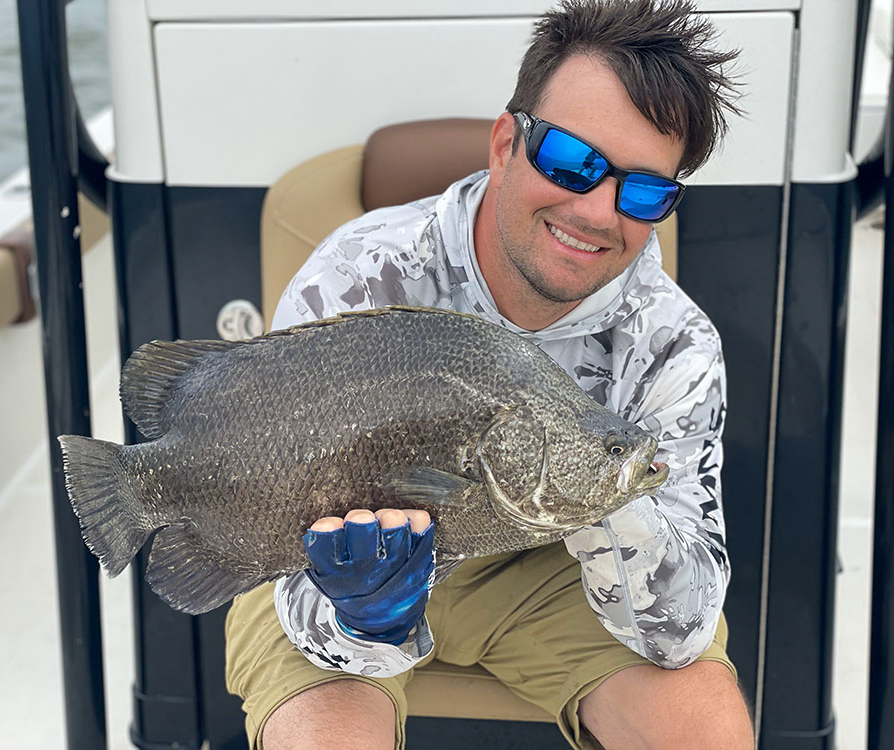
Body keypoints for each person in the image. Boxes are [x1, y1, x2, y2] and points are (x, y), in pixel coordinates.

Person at [225, 1, 755, 747]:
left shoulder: (674, 346)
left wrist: (599, 487)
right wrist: (360, 612)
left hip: (546, 569)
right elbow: (282, 507)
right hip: (333, 560)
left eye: (642, 192)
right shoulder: (361, 273)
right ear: (507, 142)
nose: (599, 211)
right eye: (572, 161)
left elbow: (681, 631)